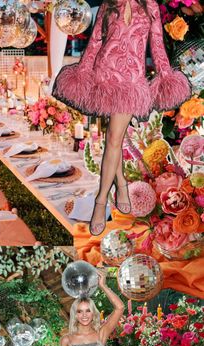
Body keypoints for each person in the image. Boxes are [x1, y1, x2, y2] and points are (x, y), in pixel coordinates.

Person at [52, 0, 191, 236]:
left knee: (114, 139)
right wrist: (83, 73)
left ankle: (101, 199)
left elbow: (157, 46)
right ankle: (118, 188)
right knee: (113, 140)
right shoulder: (109, 5)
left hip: (131, 83)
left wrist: (166, 76)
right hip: (104, 77)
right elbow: (95, 43)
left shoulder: (150, 7)